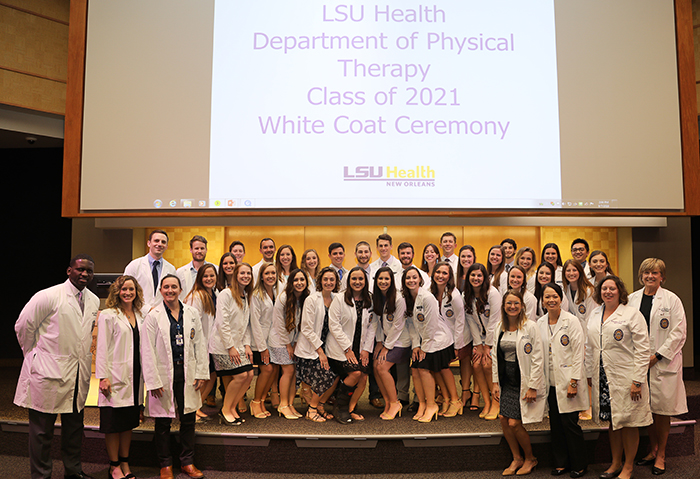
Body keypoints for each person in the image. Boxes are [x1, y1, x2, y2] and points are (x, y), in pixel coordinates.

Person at [15, 254, 99, 479]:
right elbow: (23, 326)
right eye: (80, 269)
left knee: (74, 430)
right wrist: (33, 355)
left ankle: (73, 471)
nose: (85, 274)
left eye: (89, 271)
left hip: (77, 373)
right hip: (47, 372)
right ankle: (41, 475)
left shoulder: (93, 299)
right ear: (69, 270)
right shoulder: (48, 296)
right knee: (42, 432)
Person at [141, 274, 208, 479]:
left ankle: (187, 462)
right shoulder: (153, 316)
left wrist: (201, 372)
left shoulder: (192, 313)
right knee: (162, 422)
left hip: (187, 371)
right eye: (166, 287)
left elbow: (200, 342)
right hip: (164, 373)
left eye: (174, 287)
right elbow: (147, 350)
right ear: (160, 290)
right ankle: (165, 464)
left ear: (180, 290)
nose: (170, 290)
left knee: (188, 419)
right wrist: (152, 380)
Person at [585, 276, 652, 479]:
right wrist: (589, 373)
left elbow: (642, 349)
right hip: (603, 376)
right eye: (604, 288)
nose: (608, 292)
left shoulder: (632, 314)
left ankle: (628, 466)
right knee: (613, 422)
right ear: (599, 292)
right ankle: (615, 463)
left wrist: (637, 380)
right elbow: (590, 347)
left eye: (612, 288)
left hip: (627, 377)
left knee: (629, 422)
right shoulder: (595, 314)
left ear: (619, 291)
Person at [628, 258, 688, 475]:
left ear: (662, 276)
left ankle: (661, 454)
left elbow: (679, 332)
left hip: (663, 363)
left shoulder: (672, 300)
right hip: (639, 362)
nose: (650, 276)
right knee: (647, 409)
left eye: (654, 273)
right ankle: (652, 450)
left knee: (662, 411)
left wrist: (658, 355)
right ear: (641, 275)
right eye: (646, 273)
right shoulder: (632, 299)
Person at [537, 283, 588, 478]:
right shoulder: (539, 323)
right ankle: (561, 463)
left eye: (554, 297)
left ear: (561, 299)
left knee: (570, 424)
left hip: (568, 381)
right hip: (550, 382)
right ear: (542, 300)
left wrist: (574, 381)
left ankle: (580, 464)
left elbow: (578, 353)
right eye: (547, 297)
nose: (551, 300)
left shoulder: (572, 321)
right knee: (556, 425)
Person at [492, 289, 545, 476]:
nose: (512, 307)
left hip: (523, 380)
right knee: (503, 420)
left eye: (516, 303)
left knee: (514, 423)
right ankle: (517, 458)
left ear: (522, 306)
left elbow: (538, 356)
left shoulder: (530, 326)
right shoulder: (500, 327)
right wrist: (495, 383)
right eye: (509, 303)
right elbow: (494, 356)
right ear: (504, 306)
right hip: (507, 379)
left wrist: (532, 386)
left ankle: (530, 458)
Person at [96, 275, 144, 479]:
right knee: (113, 424)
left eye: (131, 289)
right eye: (124, 289)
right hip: (114, 377)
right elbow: (102, 347)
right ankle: (113, 465)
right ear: (117, 292)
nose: (127, 293)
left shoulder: (141, 314)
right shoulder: (108, 315)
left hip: (135, 377)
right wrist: (103, 376)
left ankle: (125, 462)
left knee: (127, 424)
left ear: (136, 292)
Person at [402, 266, 455, 423]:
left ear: (420, 279)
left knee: (423, 369)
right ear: (404, 282)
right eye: (408, 278)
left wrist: (424, 347)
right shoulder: (407, 298)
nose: (411, 280)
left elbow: (431, 325)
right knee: (415, 368)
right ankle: (422, 404)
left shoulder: (427, 297)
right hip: (424, 340)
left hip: (437, 339)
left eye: (414, 277)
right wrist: (416, 346)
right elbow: (411, 325)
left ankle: (432, 405)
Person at [326, 266, 377, 423]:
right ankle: (340, 407)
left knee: (363, 377)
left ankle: (350, 408)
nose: (357, 281)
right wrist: (347, 349)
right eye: (354, 278)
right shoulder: (340, 299)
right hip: (339, 349)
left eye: (361, 279)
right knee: (355, 374)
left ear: (365, 281)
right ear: (348, 281)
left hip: (360, 348)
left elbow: (372, 326)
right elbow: (334, 325)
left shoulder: (370, 298)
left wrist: (366, 350)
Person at [209, 263, 255, 426]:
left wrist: (247, 345)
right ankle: (225, 410)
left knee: (249, 375)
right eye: (242, 273)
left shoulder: (245, 295)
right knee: (241, 375)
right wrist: (230, 347)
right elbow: (222, 322)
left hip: (238, 345)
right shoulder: (225, 294)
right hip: (223, 346)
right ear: (235, 275)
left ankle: (232, 407)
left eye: (248, 273)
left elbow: (245, 324)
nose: (245, 276)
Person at [295, 267, 342, 422]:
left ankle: (320, 405)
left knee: (336, 375)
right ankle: (312, 409)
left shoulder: (337, 299)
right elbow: (306, 329)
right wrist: (320, 352)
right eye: (326, 279)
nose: (329, 282)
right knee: (326, 374)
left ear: (336, 282)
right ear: (320, 281)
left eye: (332, 279)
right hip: (311, 349)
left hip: (327, 348)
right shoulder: (312, 299)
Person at [372, 266, 415, 420]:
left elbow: (398, 326)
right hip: (385, 341)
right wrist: (378, 342)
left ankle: (395, 402)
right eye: (381, 278)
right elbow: (376, 321)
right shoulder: (377, 298)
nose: (383, 282)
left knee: (382, 367)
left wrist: (386, 347)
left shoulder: (399, 299)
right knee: (376, 366)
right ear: (376, 280)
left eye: (386, 279)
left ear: (392, 281)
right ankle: (388, 401)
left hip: (401, 342)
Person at [463, 263, 502, 420]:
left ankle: (496, 402)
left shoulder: (493, 294)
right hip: (481, 339)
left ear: (485, 277)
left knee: (488, 364)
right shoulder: (467, 295)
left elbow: (495, 321)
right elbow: (471, 321)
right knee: (476, 364)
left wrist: (488, 346)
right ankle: (486, 402)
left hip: (496, 337)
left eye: (479, 275)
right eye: (473, 275)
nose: (476, 278)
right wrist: (478, 345)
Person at [270, 269, 309, 419]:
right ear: (291, 282)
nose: (299, 283)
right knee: (288, 371)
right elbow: (279, 324)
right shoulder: (283, 298)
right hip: (280, 340)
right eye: (296, 280)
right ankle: (283, 404)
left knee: (294, 373)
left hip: (293, 341)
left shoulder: (304, 298)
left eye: (302, 280)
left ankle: (290, 404)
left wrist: (296, 342)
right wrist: (288, 345)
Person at [429, 262, 465, 418]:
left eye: (444, 273)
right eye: (438, 272)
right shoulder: (430, 292)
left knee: (443, 368)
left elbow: (460, 321)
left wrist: (457, 345)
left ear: (450, 276)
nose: (440, 276)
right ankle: (446, 398)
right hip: (435, 338)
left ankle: (456, 400)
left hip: (450, 340)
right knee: (434, 368)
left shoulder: (454, 296)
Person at [183, 264, 219, 423]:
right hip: (199, 344)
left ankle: (197, 406)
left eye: (212, 276)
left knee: (211, 375)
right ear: (199, 278)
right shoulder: (196, 296)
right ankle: (191, 409)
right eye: (205, 276)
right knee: (198, 378)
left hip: (211, 343)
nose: (209, 279)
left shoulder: (215, 293)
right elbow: (191, 323)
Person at [562, 259, 596, 421]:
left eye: (574, 271)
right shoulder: (565, 290)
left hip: (587, 338)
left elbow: (592, 318)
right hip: (571, 338)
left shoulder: (589, 291)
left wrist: (585, 343)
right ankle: (580, 405)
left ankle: (588, 406)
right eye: (568, 271)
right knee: (575, 371)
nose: (571, 274)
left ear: (580, 272)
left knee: (586, 371)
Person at [249, 263, 278, 418]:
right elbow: (255, 322)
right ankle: (255, 401)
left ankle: (260, 401)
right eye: (267, 273)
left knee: (272, 370)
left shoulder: (275, 292)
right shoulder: (256, 295)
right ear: (261, 276)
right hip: (259, 342)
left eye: (273, 273)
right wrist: (262, 348)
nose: (270, 276)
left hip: (271, 340)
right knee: (266, 370)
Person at [123, 230, 176, 313]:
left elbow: (173, 295)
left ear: (166, 246)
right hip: (138, 313)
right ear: (148, 243)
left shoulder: (171, 269)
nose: (159, 244)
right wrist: (148, 309)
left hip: (162, 315)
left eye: (163, 242)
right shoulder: (134, 266)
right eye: (156, 241)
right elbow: (125, 292)